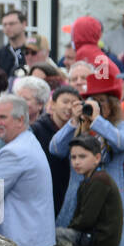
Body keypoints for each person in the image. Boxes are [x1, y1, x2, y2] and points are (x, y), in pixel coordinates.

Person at [49, 64, 124, 246]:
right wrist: (74, 121)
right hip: (77, 200)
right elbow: (55, 148)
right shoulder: (80, 126)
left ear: (112, 103)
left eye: (101, 101)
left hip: (110, 203)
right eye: (92, 100)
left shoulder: (120, 126)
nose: (95, 104)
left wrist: (97, 120)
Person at [0, 94, 56, 246]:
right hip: (32, 242)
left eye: (3, 117)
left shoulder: (15, 152)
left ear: (20, 120)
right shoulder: (26, 142)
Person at [55, 134, 123, 246]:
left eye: (82, 157)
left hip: (98, 243)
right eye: (73, 157)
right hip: (91, 237)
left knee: (52, 236)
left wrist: (70, 228)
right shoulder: (88, 180)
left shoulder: (100, 180)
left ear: (97, 158)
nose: (76, 162)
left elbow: (86, 219)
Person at [31, 83, 79, 218]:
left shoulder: (79, 131)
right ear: (53, 104)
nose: (69, 107)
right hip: (42, 192)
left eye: (74, 103)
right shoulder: (37, 130)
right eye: (65, 102)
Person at [0, 9, 30, 78]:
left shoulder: (33, 51)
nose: (7, 27)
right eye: (4, 25)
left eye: (12, 24)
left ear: (24, 24)